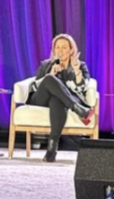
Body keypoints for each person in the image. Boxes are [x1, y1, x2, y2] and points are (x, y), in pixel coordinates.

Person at [26, 33, 93, 163]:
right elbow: (34, 86)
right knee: (50, 79)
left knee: (57, 99)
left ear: (71, 50)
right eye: (57, 47)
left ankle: (52, 149)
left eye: (64, 47)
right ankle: (77, 109)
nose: (60, 51)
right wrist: (51, 74)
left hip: (60, 101)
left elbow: (83, 88)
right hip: (41, 100)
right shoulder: (46, 64)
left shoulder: (80, 65)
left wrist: (77, 71)